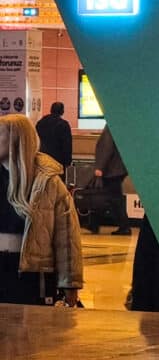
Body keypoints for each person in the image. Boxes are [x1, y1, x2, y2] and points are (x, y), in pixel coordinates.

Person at [0, 114, 83, 306]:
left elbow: (67, 238)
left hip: (32, 279)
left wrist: (70, 285)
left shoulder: (49, 183)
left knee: (30, 334)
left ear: (17, 140)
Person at [94, 124, 130, 235]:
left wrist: (100, 167)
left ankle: (124, 226)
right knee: (113, 197)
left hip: (113, 169)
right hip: (118, 168)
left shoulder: (111, 127)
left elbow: (106, 148)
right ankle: (95, 224)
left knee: (114, 198)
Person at [35, 101, 72, 179]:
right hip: (57, 160)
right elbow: (67, 144)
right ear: (62, 111)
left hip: (42, 159)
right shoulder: (63, 125)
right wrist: (68, 161)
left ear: (51, 110)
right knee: (58, 184)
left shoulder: (40, 123)